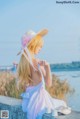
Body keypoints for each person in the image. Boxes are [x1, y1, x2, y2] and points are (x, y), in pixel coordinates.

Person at [16, 29, 71, 119]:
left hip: (29, 101)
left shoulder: (24, 64)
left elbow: (25, 87)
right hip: (39, 101)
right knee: (62, 104)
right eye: (39, 46)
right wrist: (47, 67)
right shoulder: (37, 63)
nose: (40, 49)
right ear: (33, 46)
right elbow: (48, 84)